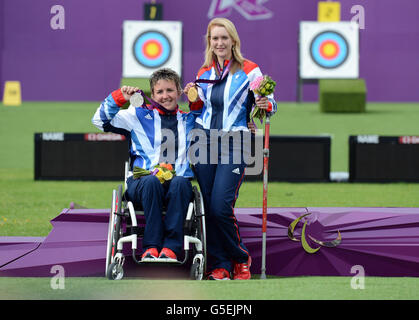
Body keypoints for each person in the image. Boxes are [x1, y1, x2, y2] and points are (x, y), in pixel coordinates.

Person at [184, 18, 277, 280]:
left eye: (224, 38)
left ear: (233, 40)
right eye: (215, 38)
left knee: (220, 207)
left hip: (235, 142)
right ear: (209, 42)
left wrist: (263, 102)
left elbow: (270, 105)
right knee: (208, 208)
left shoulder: (250, 70)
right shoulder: (203, 73)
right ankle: (221, 264)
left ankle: (240, 257)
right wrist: (191, 97)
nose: (220, 43)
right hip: (203, 141)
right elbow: (198, 109)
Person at [92, 68, 200, 262]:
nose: (165, 96)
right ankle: (151, 247)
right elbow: (99, 120)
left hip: (177, 185)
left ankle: (171, 248)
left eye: (170, 90)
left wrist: (197, 100)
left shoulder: (189, 120)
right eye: (159, 92)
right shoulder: (137, 115)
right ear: (152, 94)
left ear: (179, 91)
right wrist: (120, 97)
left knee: (181, 183)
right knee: (151, 182)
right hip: (142, 184)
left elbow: (217, 124)